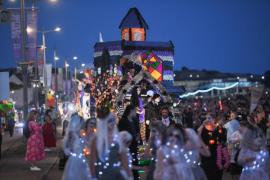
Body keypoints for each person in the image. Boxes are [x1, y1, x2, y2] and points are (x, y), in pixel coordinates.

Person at [90, 109, 132, 180]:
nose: (112, 123)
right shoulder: (97, 139)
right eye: (109, 120)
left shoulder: (117, 138)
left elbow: (123, 158)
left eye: (113, 120)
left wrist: (129, 175)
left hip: (116, 173)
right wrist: (93, 177)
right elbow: (92, 159)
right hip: (101, 173)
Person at [62, 113, 92, 180]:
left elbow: (86, 145)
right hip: (75, 161)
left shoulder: (81, 134)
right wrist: (73, 153)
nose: (82, 125)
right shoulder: (72, 135)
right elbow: (66, 149)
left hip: (82, 159)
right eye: (81, 124)